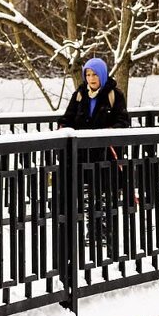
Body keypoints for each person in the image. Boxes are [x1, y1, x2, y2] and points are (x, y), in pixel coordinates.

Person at [60, 57, 130, 246]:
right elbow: (67, 118)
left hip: (106, 155)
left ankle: (105, 232)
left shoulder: (114, 95)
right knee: (88, 196)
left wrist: (109, 132)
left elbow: (123, 121)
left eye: (95, 75)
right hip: (83, 155)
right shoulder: (79, 95)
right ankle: (91, 232)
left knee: (105, 194)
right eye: (88, 75)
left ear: (103, 75)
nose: (91, 78)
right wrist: (64, 130)